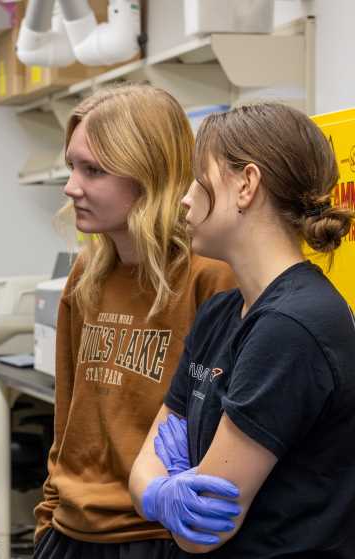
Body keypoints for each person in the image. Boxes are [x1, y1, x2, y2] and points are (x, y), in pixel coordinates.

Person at [129, 102, 355, 557]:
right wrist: (159, 492)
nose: (186, 198)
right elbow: (140, 472)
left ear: (247, 184)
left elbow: (201, 531)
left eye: (199, 178)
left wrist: (170, 478)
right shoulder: (220, 312)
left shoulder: (291, 327)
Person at [33, 84, 237, 559]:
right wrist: (48, 516)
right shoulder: (87, 272)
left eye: (94, 170)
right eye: (72, 166)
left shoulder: (210, 277)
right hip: (71, 532)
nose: (71, 187)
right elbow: (68, 415)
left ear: (149, 175)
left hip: (156, 534)